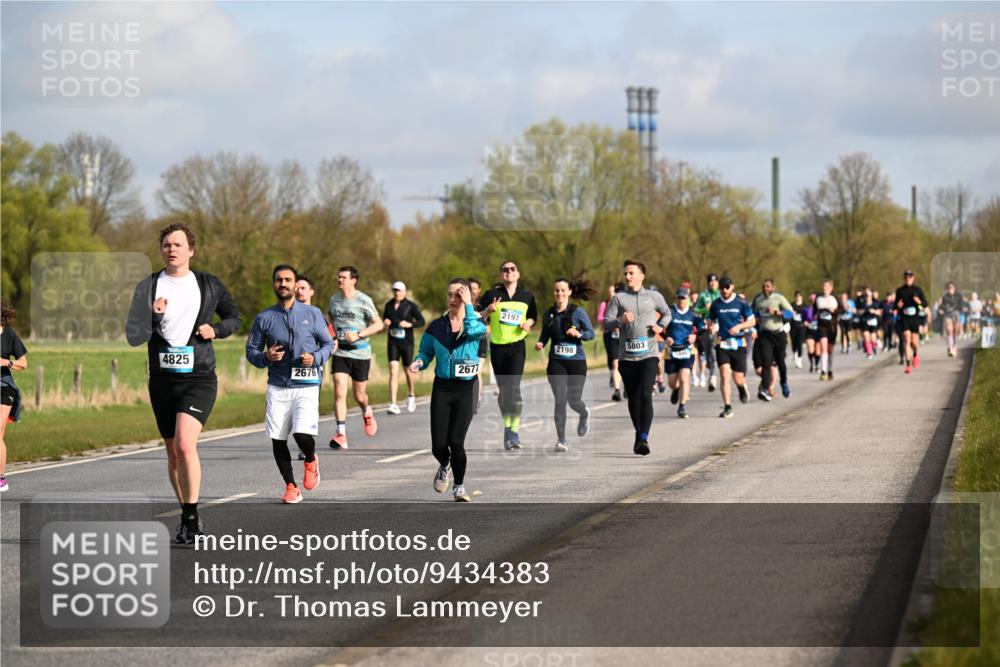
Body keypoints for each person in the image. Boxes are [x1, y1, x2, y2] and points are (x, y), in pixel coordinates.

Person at [126, 223, 241, 544]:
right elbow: (134, 336)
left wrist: (215, 330)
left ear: (191, 250)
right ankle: (185, 511)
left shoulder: (208, 285)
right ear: (161, 250)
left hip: (199, 377)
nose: (172, 249)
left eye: (178, 244)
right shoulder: (148, 288)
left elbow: (234, 318)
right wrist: (152, 315)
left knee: (184, 444)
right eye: (166, 244)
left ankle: (190, 518)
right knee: (172, 454)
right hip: (162, 381)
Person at [246, 265, 334, 503]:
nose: (283, 284)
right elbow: (251, 351)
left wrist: (315, 358)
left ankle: (311, 458)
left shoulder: (313, 313)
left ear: (296, 285)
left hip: (306, 384)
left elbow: (329, 345)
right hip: (278, 385)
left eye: (287, 280)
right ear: (274, 284)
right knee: (278, 437)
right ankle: (291, 486)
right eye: (278, 280)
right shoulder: (264, 318)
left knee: (302, 433)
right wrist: (266, 357)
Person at [409, 278, 486, 502]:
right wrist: (419, 362)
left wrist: (469, 305)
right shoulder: (436, 326)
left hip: (467, 388)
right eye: (450, 295)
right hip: (443, 387)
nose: (453, 300)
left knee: (456, 441)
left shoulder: (476, 323)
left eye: (458, 295)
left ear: (466, 297)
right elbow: (425, 352)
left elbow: (473, 330)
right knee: (439, 446)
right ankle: (445, 464)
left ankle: (459, 487)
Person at [604, 260, 670, 455]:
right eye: (625, 273)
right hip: (626, 357)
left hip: (649, 354)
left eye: (631, 273)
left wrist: (661, 326)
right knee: (633, 398)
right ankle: (638, 432)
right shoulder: (618, 299)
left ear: (642, 275)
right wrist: (620, 320)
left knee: (645, 394)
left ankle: (643, 438)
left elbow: (667, 313)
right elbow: (606, 324)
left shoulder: (654, 296)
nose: (627, 277)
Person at [478, 261, 537, 450]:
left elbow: (533, 316)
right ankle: (507, 427)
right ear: (501, 274)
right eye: (505, 270)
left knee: (514, 388)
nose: (509, 272)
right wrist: (488, 310)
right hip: (498, 348)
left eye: (512, 269)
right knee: (504, 392)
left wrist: (528, 323)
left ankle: (514, 431)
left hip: (517, 347)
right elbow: (476, 316)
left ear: (518, 274)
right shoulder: (491, 295)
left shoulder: (526, 296)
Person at [536, 278, 596, 451]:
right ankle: (561, 440)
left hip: (576, 362)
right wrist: (541, 343)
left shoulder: (578, 312)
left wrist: (578, 334)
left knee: (573, 400)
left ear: (569, 292)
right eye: (556, 290)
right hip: (556, 362)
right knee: (560, 400)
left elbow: (591, 334)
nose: (559, 294)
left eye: (563, 290)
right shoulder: (548, 313)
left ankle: (584, 413)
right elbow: (544, 334)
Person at [327, 266, 383, 449]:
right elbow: (329, 320)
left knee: (359, 395)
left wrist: (359, 334)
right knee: (339, 391)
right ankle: (341, 434)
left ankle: (366, 410)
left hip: (360, 352)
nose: (339, 279)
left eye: (343, 277)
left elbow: (378, 324)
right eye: (338, 276)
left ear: (353, 280)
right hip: (340, 352)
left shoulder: (364, 300)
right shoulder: (334, 300)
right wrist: (332, 337)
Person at [709, 277, 755, 418]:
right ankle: (728, 407)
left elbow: (752, 321)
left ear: (732, 287)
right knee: (724, 374)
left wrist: (739, 326)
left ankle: (741, 387)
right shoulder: (716, 304)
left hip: (738, 343)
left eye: (727, 287)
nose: (724, 290)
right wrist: (711, 326)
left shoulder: (741, 302)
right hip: (722, 343)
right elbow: (711, 319)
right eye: (722, 287)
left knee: (738, 378)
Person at [382, 281, 426, 414]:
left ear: (404, 292)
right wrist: (386, 321)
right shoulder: (388, 305)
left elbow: (421, 321)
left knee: (408, 370)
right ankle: (393, 403)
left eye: (399, 290)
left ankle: (411, 394)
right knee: (392, 370)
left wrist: (409, 324)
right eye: (395, 290)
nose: (397, 293)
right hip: (393, 341)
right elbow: (385, 318)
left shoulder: (411, 305)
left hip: (407, 342)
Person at [0, 301, 28, 493]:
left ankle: (1, 478)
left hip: (4, 388)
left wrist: (5, 362)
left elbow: (23, 364)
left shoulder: (8, 334)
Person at [751, 278, 794, 400]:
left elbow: (791, 313)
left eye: (768, 286)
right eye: (764, 286)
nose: (765, 289)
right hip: (765, 335)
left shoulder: (778, 298)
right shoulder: (758, 299)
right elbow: (753, 313)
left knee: (780, 362)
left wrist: (776, 313)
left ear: (773, 288)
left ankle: (784, 383)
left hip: (778, 334)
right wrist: (756, 318)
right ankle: (765, 388)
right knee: (766, 362)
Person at [663, 286, 702, 419]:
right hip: (671, 351)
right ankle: (675, 389)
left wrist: (695, 336)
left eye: (683, 298)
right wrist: (665, 337)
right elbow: (659, 327)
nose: (681, 301)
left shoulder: (693, 314)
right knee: (672, 382)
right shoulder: (669, 311)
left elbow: (702, 327)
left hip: (686, 350)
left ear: (688, 299)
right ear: (675, 298)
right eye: (679, 298)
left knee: (685, 377)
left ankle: (682, 406)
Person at [895, 269, 928, 374]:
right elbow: (895, 306)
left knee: (914, 342)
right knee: (906, 339)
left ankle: (915, 355)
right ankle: (908, 364)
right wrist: (898, 305)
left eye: (909, 277)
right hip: (904, 318)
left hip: (915, 318)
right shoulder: (900, 291)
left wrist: (919, 302)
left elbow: (924, 305)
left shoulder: (918, 290)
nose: (907, 279)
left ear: (913, 278)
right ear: (904, 278)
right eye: (906, 277)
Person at [692, 273, 721, 391]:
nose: (713, 283)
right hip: (707, 326)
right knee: (708, 353)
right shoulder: (704, 295)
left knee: (714, 352)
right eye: (710, 281)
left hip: (720, 326)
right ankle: (710, 365)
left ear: (718, 283)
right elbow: (695, 309)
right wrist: (705, 308)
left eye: (715, 281)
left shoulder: (721, 294)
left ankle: (713, 376)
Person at [598, 284, 625, 401]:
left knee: (625, 364)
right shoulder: (608, 304)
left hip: (626, 338)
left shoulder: (629, 303)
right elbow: (603, 319)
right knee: (615, 363)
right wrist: (613, 324)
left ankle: (628, 387)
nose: (613, 294)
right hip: (612, 336)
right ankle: (617, 390)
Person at [468, 278, 489, 413]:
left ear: (479, 290)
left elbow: (491, 324)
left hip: (481, 341)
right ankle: (468, 397)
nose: (472, 291)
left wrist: (485, 326)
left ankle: (477, 398)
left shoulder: (484, 304)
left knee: (477, 370)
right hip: (468, 342)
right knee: (468, 370)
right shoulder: (464, 304)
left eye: (475, 288)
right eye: (470, 288)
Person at [814, 280, 839, 381]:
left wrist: (834, 311)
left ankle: (830, 370)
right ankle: (823, 371)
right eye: (823, 286)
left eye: (827, 286)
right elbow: (814, 310)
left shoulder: (834, 298)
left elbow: (841, 309)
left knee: (830, 350)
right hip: (822, 326)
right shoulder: (818, 298)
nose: (824, 288)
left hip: (832, 327)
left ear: (831, 288)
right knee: (823, 347)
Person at [937, 282, 964, 358]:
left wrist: (962, 309)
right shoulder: (945, 296)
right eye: (949, 287)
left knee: (955, 331)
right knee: (949, 330)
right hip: (947, 314)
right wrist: (941, 309)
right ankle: (950, 347)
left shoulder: (958, 295)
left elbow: (961, 304)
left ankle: (954, 345)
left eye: (952, 287)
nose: (950, 289)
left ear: (954, 288)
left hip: (956, 314)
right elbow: (941, 305)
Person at [858, 288, 883, 359]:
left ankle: (874, 346)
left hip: (873, 322)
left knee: (873, 338)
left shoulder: (875, 304)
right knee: (866, 337)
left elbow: (879, 312)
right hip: (865, 322)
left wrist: (874, 311)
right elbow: (858, 311)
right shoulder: (862, 304)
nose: (867, 297)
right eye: (866, 296)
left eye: (869, 296)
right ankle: (869, 353)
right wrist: (861, 312)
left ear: (871, 296)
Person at [789, 291, 807, 369]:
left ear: (801, 297)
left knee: (800, 342)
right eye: (796, 296)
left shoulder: (805, 306)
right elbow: (788, 314)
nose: (798, 297)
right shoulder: (791, 305)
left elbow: (808, 315)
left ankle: (799, 359)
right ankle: (795, 354)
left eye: (799, 296)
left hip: (801, 326)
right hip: (793, 326)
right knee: (794, 342)